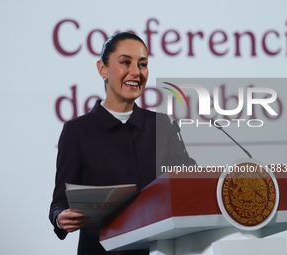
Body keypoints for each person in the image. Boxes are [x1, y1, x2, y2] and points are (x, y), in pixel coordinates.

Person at [49, 32, 196, 254]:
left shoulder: (161, 124)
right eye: (125, 62)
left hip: (157, 249)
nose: (136, 72)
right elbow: (60, 201)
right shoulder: (78, 131)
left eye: (143, 64)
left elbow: (187, 180)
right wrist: (60, 217)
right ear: (102, 69)